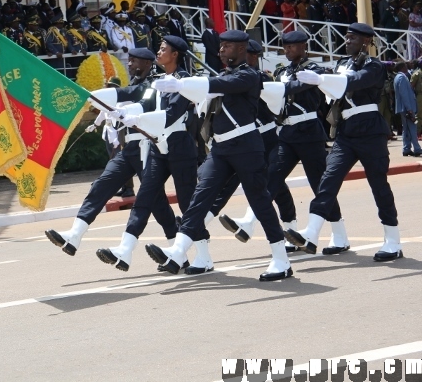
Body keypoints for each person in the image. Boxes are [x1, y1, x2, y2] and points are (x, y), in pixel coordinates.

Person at [145, 30, 293, 282]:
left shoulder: (250, 75)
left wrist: (182, 84)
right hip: (221, 149)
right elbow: (208, 90)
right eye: (221, 46)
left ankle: (281, 258)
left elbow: (220, 86)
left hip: (246, 146)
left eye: (226, 47)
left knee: (259, 201)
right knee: (200, 197)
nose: (221, 50)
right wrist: (183, 88)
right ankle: (178, 250)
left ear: (241, 50)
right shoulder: (224, 74)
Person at [44, 48, 180, 264]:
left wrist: (125, 111)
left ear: (146, 63)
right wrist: (87, 95)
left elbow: (138, 102)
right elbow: (123, 94)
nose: (130, 64)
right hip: (130, 150)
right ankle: (74, 236)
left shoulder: (156, 83)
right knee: (102, 185)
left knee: (155, 202)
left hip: (148, 148)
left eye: (134, 61)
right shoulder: (138, 84)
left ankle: (176, 248)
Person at [221, 31, 348, 254]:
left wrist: (281, 87)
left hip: (309, 131)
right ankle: (249, 222)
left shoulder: (314, 71)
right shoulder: (282, 71)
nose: (287, 51)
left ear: (303, 47)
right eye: (285, 48)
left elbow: (299, 87)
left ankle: (340, 235)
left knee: (319, 185)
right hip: (287, 133)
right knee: (271, 176)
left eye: (292, 47)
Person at [286, 22, 403, 262]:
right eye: (347, 37)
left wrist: (321, 80)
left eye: (353, 38)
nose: (347, 41)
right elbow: (332, 92)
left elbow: (355, 82)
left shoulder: (375, 66)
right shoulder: (341, 64)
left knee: (378, 185)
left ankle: (392, 240)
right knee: (328, 180)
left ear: (366, 42)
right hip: (346, 131)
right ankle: (313, 231)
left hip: (370, 128)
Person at [95, 36, 210, 274]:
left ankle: (203, 257)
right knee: (145, 196)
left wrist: (136, 119)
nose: (158, 51)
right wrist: (97, 99)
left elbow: (171, 115)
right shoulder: (158, 80)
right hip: (159, 147)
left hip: (180, 146)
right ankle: (124, 250)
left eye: (163, 48)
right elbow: (138, 97)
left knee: (188, 203)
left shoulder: (185, 82)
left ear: (175, 54)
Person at [393, 60, 422, 157]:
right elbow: (404, 94)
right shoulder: (401, 77)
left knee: (406, 129)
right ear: (402, 67)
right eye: (405, 65)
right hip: (406, 108)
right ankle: (417, 149)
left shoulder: (399, 77)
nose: (407, 67)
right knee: (412, 129)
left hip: (404, 108)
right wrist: (409, 109)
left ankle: (406, 148)